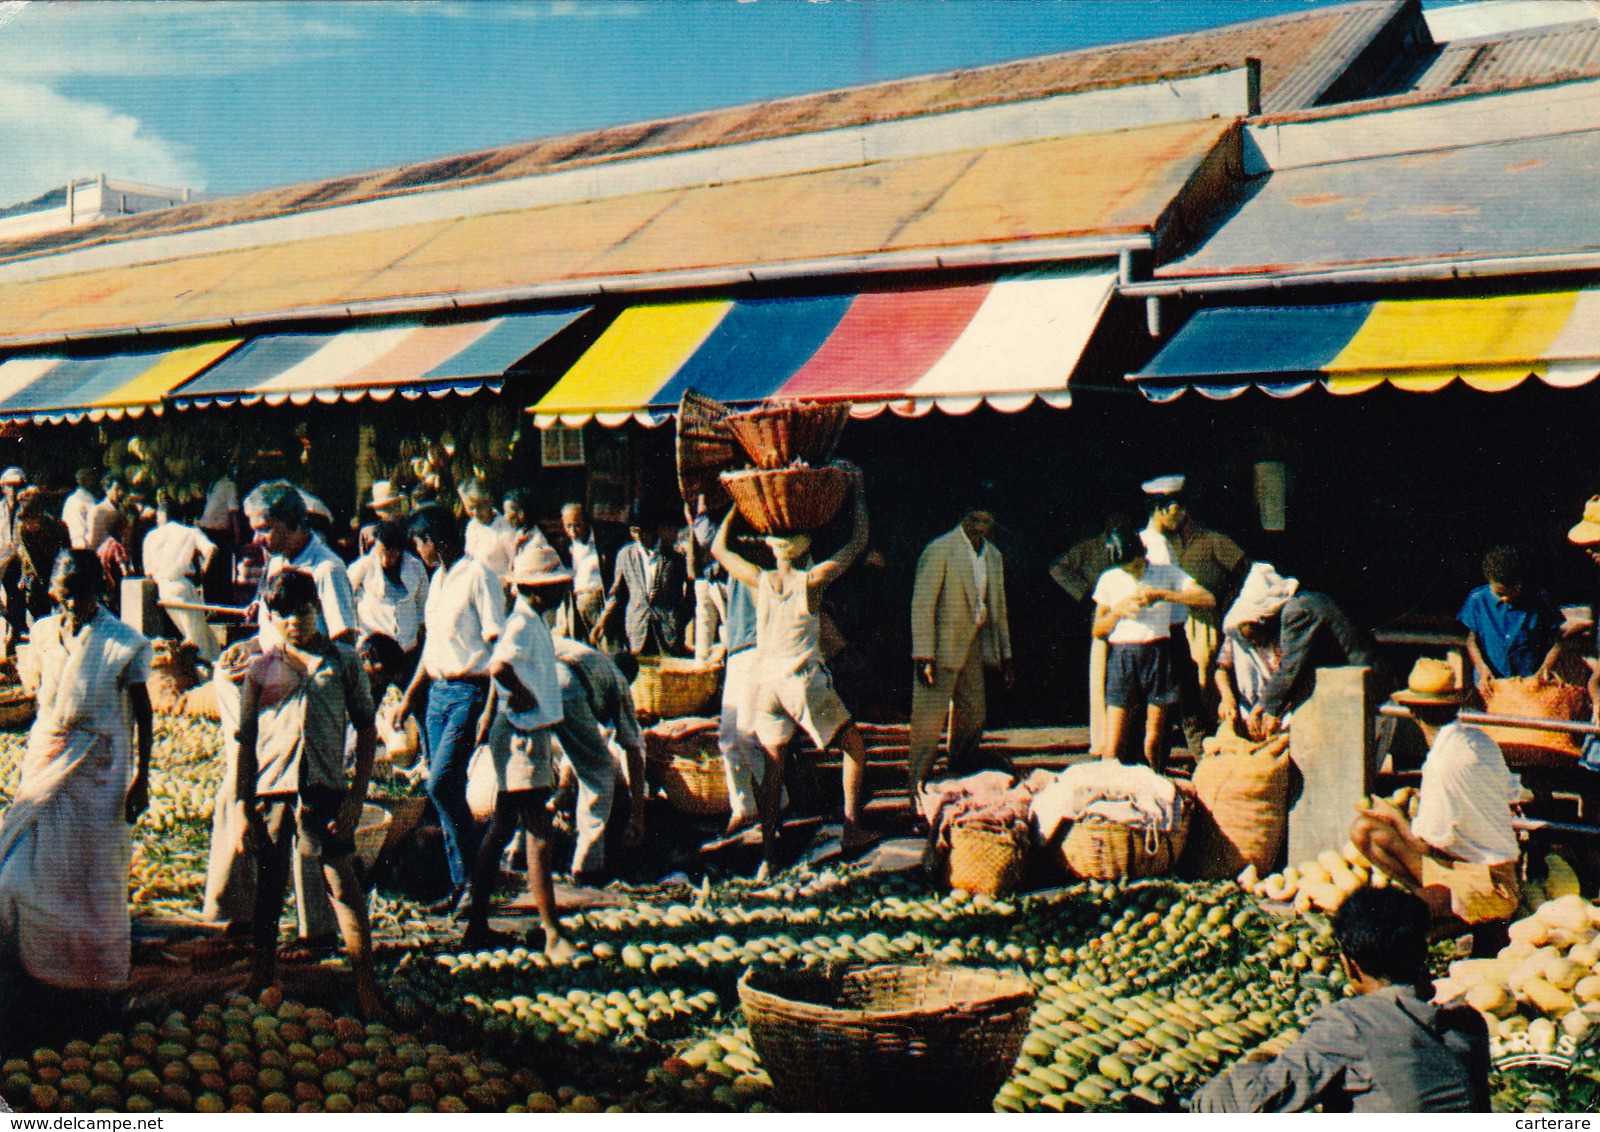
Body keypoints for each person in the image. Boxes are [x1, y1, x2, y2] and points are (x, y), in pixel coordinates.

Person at [1191, 886, 1490, 1112]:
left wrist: (1256, 1062)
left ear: (1350, 965)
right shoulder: (1469, 1023)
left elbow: (1244, 1106)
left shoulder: (1351, 1025)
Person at [233, 569, 384, 1018]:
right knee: (270, 884)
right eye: (281, 614)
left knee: (341, 882)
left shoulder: (341, 662)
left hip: (324, 789)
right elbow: (245, 741)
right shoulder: (261, 666)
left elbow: (367, 727)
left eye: (301, 612)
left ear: (316, 608)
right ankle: (263, 973)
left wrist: (357, 797)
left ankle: (365, 983)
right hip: (274, 790)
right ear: (269, 616)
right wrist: (243, 806)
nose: (293, 622)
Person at [0, 550, 153, 991]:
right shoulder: (45, 632)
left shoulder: (123, 642)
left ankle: (91, 976)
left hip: (99, 769)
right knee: (19, 871)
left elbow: (143, 712)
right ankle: (36, 964)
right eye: (64, 597)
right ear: (53, 593)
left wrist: (142, 776)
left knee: (92, 878)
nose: (71, 606)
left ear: (97, 592)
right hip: (48, 760)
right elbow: (42, 690)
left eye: (80, 597)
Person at [711, 465, 875, 869]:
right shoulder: (811, 581)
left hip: (766, 684)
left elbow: (718, 548)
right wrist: (858, 493)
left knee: (772, 772)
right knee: (853, 746)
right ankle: (852, 826)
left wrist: (737, 503)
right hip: (801, 682)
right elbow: (858, 542)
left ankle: (768, 856)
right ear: (804, 549)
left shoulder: (760, 580)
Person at [1351, 659, 1522, 935]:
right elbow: (1510, 793)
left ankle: (1467, 921)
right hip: (1491, 869)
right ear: (1454, 706)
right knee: (1366, 830)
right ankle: (1451, 916)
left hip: (1488, 884)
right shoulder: (1480, 741)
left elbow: (1424, 845)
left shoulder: (1440, 764)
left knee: (1394, 917)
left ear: (1413, 711)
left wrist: (1393, 815)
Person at [462, 545, 576, 955]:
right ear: (537, 590)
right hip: (521, 735)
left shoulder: (532, 621)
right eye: (557, 585)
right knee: (538, 832)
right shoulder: (523, 626)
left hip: (524, 731)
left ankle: (477, 923)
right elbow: (499, 668)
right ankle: (551, 932)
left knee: (501, 830)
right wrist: (522, 694)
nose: (564, 591)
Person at [397, 503, 507, 915]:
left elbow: (498, 647)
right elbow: (432, 646)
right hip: (437, 695)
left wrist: (490, 709)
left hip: (470, 692)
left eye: (419, 542)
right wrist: (411, 694)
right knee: (446, 790)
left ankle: (475, 880)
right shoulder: (438, 579)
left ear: (435, 540)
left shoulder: (479, 576)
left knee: (441, 784)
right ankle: (464, 884)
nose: (417, 550)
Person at [908, 505, 1014, 807]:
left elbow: (999, 609)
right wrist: (924, 654)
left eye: (987, 520)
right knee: (928, 726)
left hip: (974, 644)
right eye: (975, 520)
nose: (981, 526)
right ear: (963, 518)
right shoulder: (941, 549)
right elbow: (922, 604)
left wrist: (1006, 656)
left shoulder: (992, 555)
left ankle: (958, 779)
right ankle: (916, 796)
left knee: (973, 714)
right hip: (940, 647)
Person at [1091, 515, 1214, 772]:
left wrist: (1162, 594)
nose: (1133, 571)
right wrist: (1117, 611)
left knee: (1155, 736)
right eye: (1126, 567)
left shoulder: (1165, 573)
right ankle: (1107, 790)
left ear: (1143, 553)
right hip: (1123, 655)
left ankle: (1155, 785)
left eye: (1136, 564)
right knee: (1115, 741)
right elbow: (1098, 630)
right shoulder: (1110, 579)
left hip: (1157, 653)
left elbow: (1207, 598)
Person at [1141, 474, 1251, 753]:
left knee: (1203, 680)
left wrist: (1229, 602)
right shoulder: (1162, 543)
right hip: (1175, 620)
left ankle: (1210, 737)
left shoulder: (1213, 540)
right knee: (1178, 692)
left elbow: (1244, 570)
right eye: (1178, 510)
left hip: (1203, 618)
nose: (1183, 517)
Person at [549, 634, 646, 885]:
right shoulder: (618, 683)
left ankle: (518, 852)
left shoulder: (590, 660)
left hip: (532, 678)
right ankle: (587, 866)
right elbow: (635, 752)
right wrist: (637, 814)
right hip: (562, 683)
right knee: (599, 772)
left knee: (533, 770)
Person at [1231, 582, 1379, 741]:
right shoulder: (1304, 602)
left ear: (1263, 619)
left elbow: (1291, 668)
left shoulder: (1297, 612)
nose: (1257, 644)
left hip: (1364, 688)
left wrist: (1264, 708)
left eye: (1255, 638)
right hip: (1355, 683)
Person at [1051, 511, 1132, 753]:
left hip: (1131, 614)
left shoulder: (1136, 543)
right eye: (1114, 516)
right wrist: (1083, 590)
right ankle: (1101, 738)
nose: (1119, 521)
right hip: (1101, 614)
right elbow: (1057, 567)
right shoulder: (1088, 548)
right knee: (1100, 673)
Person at [1458, 545, 1566, 696]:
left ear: (1521, 583)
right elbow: (1471, 641)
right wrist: (1483, 669)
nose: (1505, 598)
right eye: (1499, 593)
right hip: (1491, 683)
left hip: (1529, 682)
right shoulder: (1477, 599)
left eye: (1511, 592)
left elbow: (1557, 642)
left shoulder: (1540, 599)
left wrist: (1545, 669)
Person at [347, 519, 429, 701]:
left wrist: (421, 632)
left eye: (391, 555)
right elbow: (344, 597)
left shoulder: (415, 567)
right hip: (375, 652)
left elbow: (423, 604)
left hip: (407, 649)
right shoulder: (364, 566)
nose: (385, 560)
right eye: (381, 554)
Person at [594, 504, 689, 657]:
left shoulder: (674, 557)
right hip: (638, 629)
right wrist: (603, 619)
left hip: (667, 631)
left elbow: (686, 593)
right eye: (633, 531)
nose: (638, 537)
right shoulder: (625, 555)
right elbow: (616, 593)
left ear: (652, 530)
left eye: (641, 532)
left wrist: (679, 618)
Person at [1215, 563, 1297, 731]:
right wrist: (1227, 698)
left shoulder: (1286, 636)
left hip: (1283, 708)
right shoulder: (1237, 631)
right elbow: (1221, 669)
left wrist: (1267, 709)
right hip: (1248, 708)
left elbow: (1289, 680)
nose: (1251, 642)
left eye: (1254, 636)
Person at [142, 491, 220, 663]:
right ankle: (206, 675)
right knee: (199, 642)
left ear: (162, 515)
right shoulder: (190, 532)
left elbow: (148, 572)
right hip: (182, 587)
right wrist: (203, 574)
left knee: (200, 637)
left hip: (162, 590)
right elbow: (212, 550)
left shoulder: (150, 536)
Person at [556, 501, 610, 643]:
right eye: (568, 526)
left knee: (604, 646)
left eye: (577, 525)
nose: (573, 531)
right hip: (576, 603)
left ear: (586, 521)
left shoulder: (601, 542)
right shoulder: (565, 546)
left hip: (599, 601)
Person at [17, 487, 68, 626]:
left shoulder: (57, 526)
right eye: (25, 520)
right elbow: (32, 559)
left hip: (56, 565)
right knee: (34, 594)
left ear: (39, 515)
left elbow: (66, 553)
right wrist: (44, 583)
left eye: (31, 520)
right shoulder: (23, 529)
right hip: (35, 570)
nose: (28, 524)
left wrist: (55, 581)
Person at [460, 478, 516, 580]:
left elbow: (516, 565)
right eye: (471, 508)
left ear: (490, 501)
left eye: (480, 506)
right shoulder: (471, 527)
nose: (476, 512)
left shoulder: (505, 529)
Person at [0, 467, 26, 651]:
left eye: (18, 486)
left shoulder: (26, 510)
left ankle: (17, 631)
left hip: (21, 563)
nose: (14, 491)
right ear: (3, 488)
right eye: (10, 486)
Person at [356, 480, 408, 557]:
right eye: (386, 508)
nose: (394, 512)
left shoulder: (408, 528)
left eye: (395, 505)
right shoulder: (369, 532)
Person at [61, 467, 98, 552]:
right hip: (84, 546)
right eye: (91, 479)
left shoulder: (70, 499)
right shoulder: (87, 501)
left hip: (74, 545)